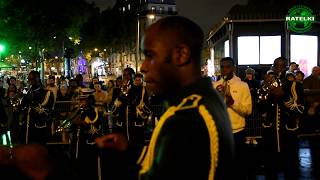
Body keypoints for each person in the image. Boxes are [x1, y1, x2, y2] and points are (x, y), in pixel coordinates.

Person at [96, 16, 234, 180]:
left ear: (181, 54)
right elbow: (175, 159)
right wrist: (128, 149)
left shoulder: (188, 116)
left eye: (150, 55)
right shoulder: (202, 99)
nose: (143, 66)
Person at [257, 57, 304, 180]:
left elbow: (299, 110)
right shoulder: (267, 85)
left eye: (282, 66)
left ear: (287, 67)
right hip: (270, 134)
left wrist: (284, 96)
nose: (279, 68)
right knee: (270, 170)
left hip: (288, 134)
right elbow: (260, 108)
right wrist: (264, 89)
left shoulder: (295, 86)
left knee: (290, 169)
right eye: (276, 66)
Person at [213, 57, 252, 179]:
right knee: (221, 169)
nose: (224, 70)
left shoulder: (243, 86)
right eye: (222, 67)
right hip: (220, 134)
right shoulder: (214, 85)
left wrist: (232, 103)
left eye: (228, 66)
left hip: (237, 133)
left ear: (233, 68)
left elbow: (248, 111)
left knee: (238, 169)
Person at [20, 71, 55, 144]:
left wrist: (32, 101)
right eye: (28, 79)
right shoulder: (27, 91)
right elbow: (22, 107)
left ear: (38, 79)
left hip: (39, 127)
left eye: (32, 79)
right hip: (27, 126)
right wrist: (24, 98)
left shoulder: (47, 93)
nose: (30, 81)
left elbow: (45, 111)